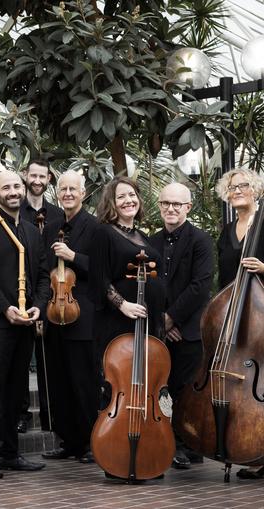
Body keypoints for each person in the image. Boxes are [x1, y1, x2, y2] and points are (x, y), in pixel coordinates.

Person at [0, 170, 48, 479]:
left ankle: (9, 453)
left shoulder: (31, 230)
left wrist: (38, 307)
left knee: (15, 391)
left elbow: (42, 275)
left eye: (17, 185)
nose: (14, 191)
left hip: (25, 321)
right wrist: (5, 309)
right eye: (7, 187)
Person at [89, 176, 165, 434]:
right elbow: (98, 277)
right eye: (121, 196)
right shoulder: (103, 232)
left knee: (144, 384)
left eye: (132, 195)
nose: (128, 200)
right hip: (119, 322)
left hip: (146, 321)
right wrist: (123, 305)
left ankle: (145, 443)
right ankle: (114, 445)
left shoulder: (142, 235)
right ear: (112, 202)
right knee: (118, 384)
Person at [149, 182, 214, 470]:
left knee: (186, 390)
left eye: (177, 204)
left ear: (188, 207)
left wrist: (171, 318)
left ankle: (189, 446)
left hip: (187, 330)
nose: (171, 209)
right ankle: (169, 443)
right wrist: (162, 319)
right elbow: (149, 286)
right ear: (160, 206)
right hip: (163, 329)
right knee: (163, 389)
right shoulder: (150, 242)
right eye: (166, 203)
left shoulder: (201, 240)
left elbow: (200, 287)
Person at [39, 171, 98, 464]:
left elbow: (101, 268)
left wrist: (73, 256)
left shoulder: (95, 226)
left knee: (83, 381)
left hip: (82, 316)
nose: (68, 193)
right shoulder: (50, 227)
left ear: (83, 192)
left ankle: (89, 442)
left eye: (73, 189)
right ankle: (68, 441)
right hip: (53, 312)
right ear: (57, 193)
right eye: (63, 189)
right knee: (58, 381)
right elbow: (43, 269)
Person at [213, 168, 264, 480]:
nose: (238, 191)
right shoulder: (227, 230)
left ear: (255, 189)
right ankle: (245, 446)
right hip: (235, 313)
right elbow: (223, 277)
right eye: (232, 188)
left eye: (243, 186)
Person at [18, 159, 63, 433]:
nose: (37, 180)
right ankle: (22, 415)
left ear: (49, 179)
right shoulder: (15, 211)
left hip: (52, 294)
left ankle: (51, 416)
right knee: (21, 360)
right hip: (22, 291)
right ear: (26, 176)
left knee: (49, 360)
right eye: (32, 175)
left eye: (42, 176)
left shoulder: (57, 214)